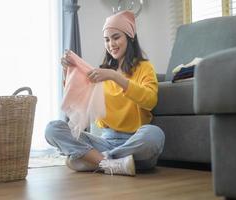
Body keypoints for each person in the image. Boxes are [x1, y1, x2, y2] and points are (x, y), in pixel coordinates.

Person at [45, 10, 165, 176]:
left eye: (116, 37)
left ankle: (97, 161)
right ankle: (114, 163)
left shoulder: (144, 68)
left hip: (134, 140)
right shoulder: (102, 72)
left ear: (130, 37)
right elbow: (78, 101)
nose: (111, 44)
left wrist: (115, 77)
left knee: (154, 135)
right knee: (53, 129)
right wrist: (67, 71)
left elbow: (150, 100)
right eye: (107, 40)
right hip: (105, 140)